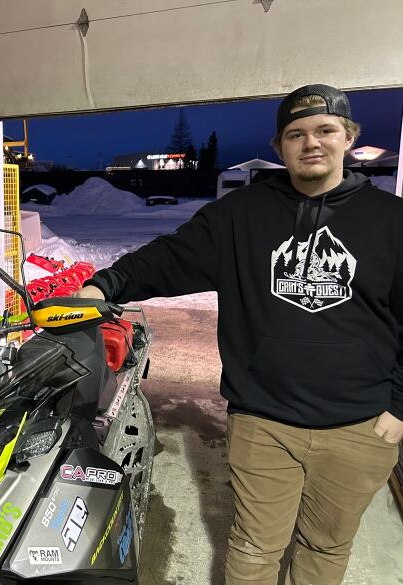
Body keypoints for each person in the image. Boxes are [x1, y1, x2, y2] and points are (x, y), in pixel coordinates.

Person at [77, 84, 403, 584]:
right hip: (264, 421)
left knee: (327, 546)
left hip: (360, 428)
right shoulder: (241, 214)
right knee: (253, 548)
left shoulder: (391, 221)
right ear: (279, 147)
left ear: (349, 138)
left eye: (325, 130)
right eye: (296, 134)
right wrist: (105, 284)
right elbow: (171, 257)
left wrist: (399, 407)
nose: (311, 143)